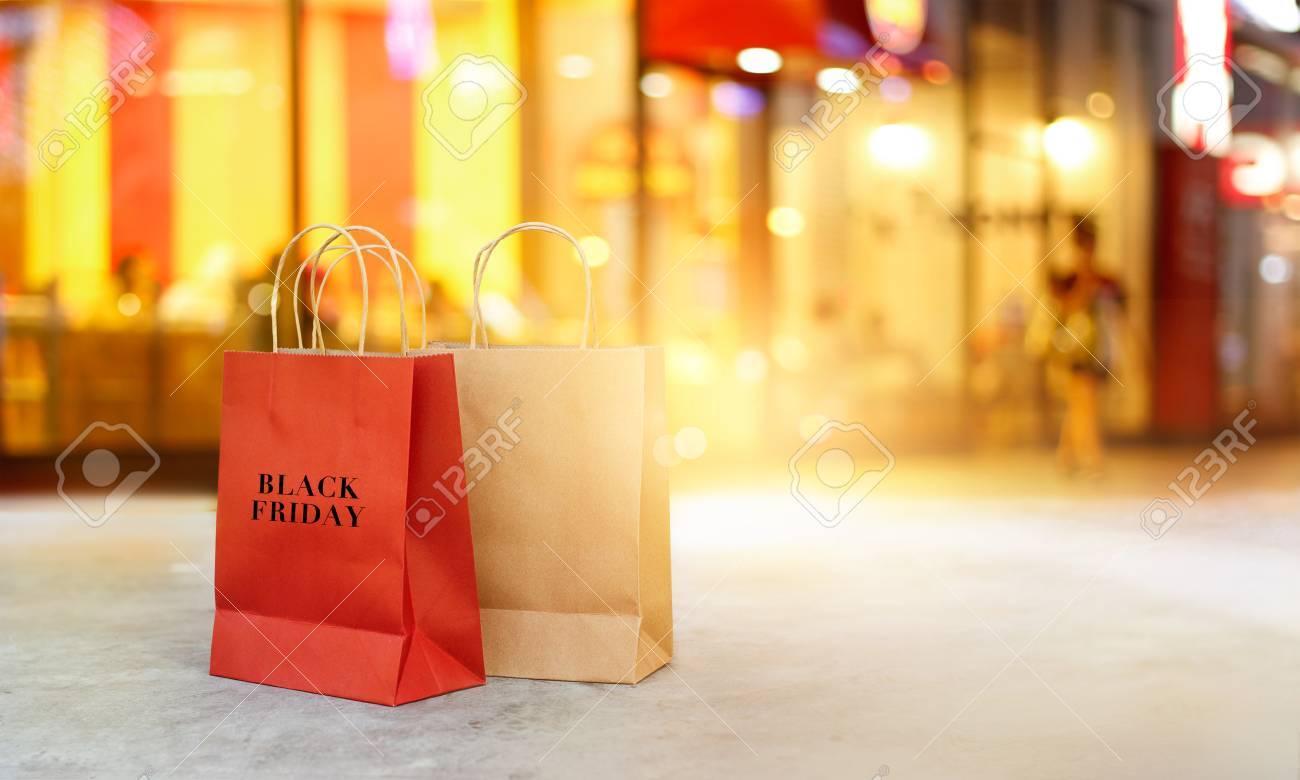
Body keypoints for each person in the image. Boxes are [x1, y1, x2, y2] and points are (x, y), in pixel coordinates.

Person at [1043, 217, 1124, 476]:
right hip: (1075, 350)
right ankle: (1092, 457)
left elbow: (1121, 315)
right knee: (1084, 403)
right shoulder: (1069, 278)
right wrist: (1082, 286)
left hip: (1099, 349)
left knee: (1081, 404)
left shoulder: (1107, 279)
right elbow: (1062, 311)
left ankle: (1066, 456)